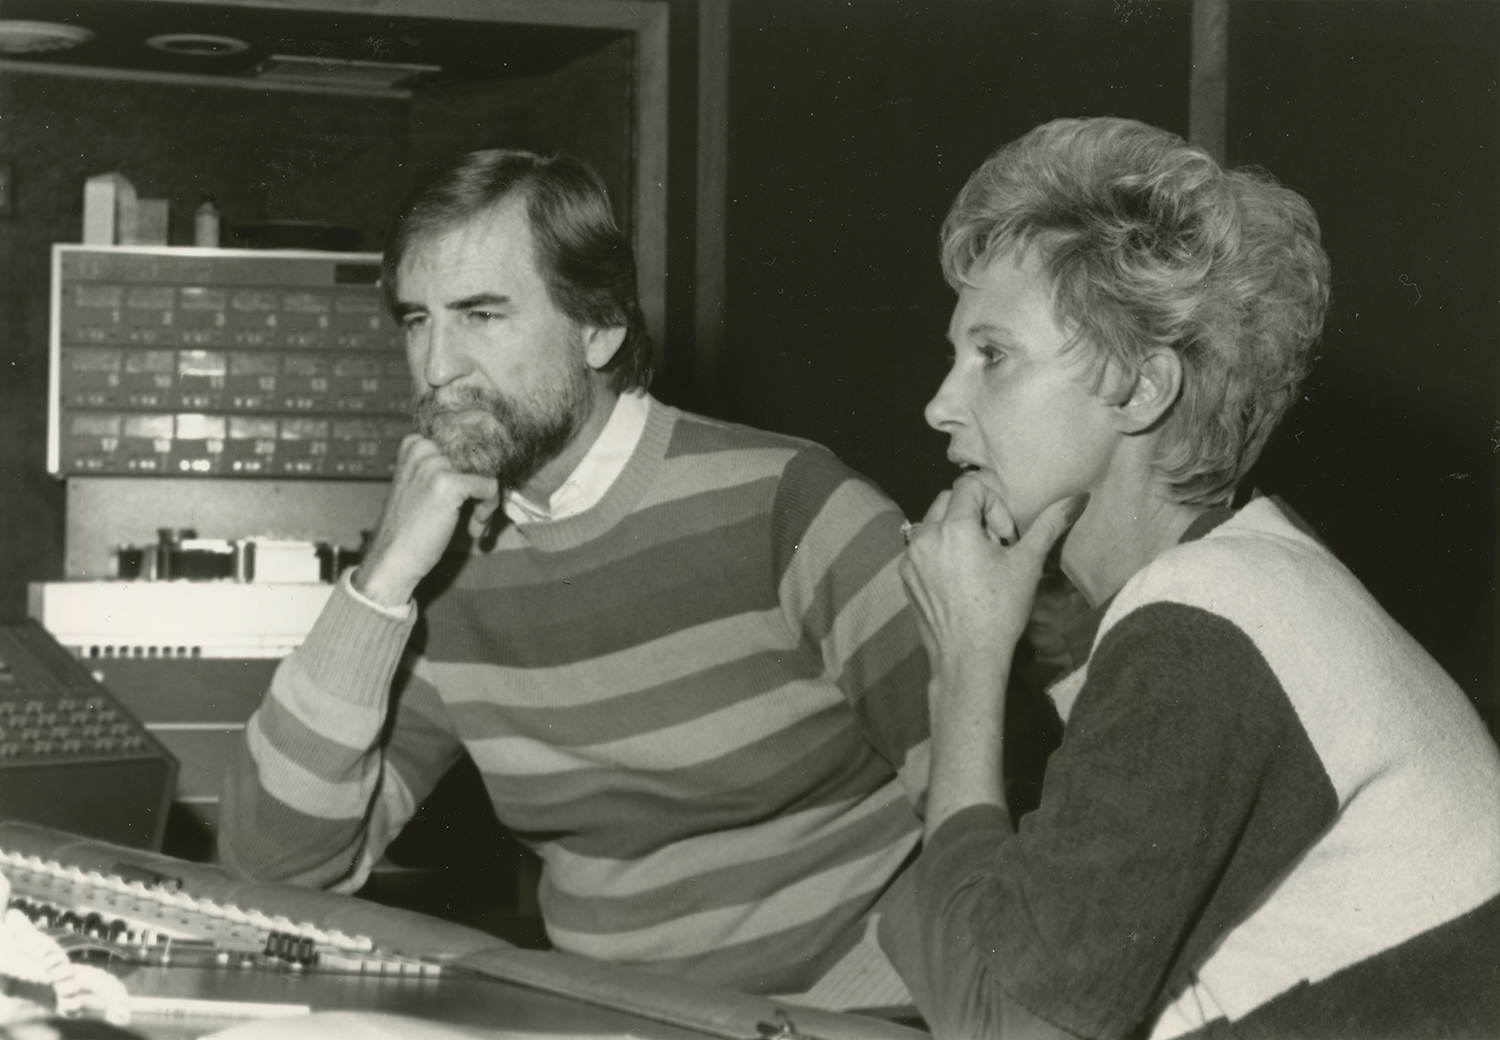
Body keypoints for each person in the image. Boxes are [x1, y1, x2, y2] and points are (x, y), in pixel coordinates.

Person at [218, 150, 930, 996]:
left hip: (851, 1013)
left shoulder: (792, 505)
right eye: (416, 321)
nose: (438, 368)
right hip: (606, 1017)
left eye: (482, 314)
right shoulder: (442, 564)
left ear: (599, 328)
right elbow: (273, 871)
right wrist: (379, 585)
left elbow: (990, 814)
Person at [886, 117, 1500, 1038]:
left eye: (993, 356)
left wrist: (968, 665)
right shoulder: (1251, 579)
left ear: (1142, 389)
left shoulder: (1202, 629)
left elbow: (995, 1022)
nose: (941, 405)